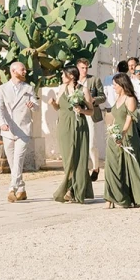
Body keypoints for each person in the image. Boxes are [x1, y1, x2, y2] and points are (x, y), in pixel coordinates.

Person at [104, 73, 140, 208]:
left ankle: (134, 197)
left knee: (130, 165)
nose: (113, 87)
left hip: (127, 135)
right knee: (111, 166)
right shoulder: (117, 97)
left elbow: (129, 119)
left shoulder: (130, 99)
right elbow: (113, 117)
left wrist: (122, 135)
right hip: (114, 135)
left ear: (122, 85)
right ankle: (110, 198)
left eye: (115, 85)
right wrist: (111, 131)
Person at [0, 61, 37, 202]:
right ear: (13, 71)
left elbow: (36, 106)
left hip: (23, 129)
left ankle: (12, 189)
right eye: (22, 69)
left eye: (25, 69)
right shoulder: (2, 88)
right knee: (13, 162)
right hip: (8, 129)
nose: (25, 71)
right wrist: (2, 123)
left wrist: (32, 105)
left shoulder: (29, 88)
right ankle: (22, 189)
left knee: (18, 159)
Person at [50, 66, 94, 203]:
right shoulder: (62, 88)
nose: (61, 77)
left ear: (71, 76)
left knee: (79, 158)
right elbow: (58, 107)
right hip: (64, 126)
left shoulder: (83, 90)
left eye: (63, 75)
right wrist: (52, 103)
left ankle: (73, 190)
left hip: (79, 125)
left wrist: (82, 110)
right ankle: (71, 187)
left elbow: (91, 111)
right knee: (67, 159)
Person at [78, 57, 105, 182]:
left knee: (91, 143)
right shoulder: (74, 81)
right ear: (78, 68)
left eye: (86, 68)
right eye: (82, 68)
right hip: (78, 114)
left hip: (91, 114)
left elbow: (102, 96)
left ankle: (95, 167)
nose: (85, 70)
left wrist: (93, 100)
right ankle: (82, 169)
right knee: (80, 143)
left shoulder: (94, 80)